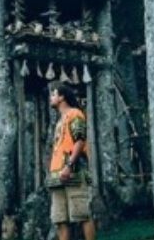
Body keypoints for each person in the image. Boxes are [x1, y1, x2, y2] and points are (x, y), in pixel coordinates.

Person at [47, 81, 96, 240]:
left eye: (53, 94)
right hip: (57, 175)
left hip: (73, 172)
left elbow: (80, 141)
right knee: (60, 219)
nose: (50, 98)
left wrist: (69, 165)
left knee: (82, 214)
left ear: (62, 97)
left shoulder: (75, 114)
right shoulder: (60, 121)